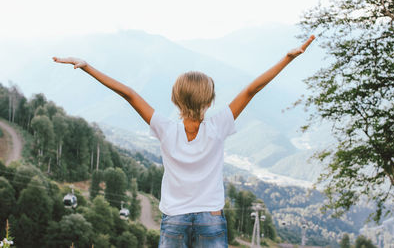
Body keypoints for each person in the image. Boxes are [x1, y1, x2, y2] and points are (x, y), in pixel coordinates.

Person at [53, 35, 315, 247]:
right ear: (210, 101)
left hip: (174, 218)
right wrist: (287, 59)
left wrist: (86, 66)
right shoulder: (219, 125)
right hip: (211, 219)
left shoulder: (165, 128)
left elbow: (129, 94)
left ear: (175, 99)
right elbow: (251, 90)